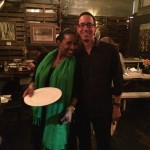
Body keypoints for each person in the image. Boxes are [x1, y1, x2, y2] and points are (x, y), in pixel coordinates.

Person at [72, 12, 123, 150]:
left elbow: (118, 79)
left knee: (104, 143)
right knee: (83, 143)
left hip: (103, 107)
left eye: (89, 25)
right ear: (77, 29)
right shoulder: (75, 53)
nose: (86, 29)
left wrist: (117, 106)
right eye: (82, 25)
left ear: (95, 28)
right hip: (81, 108)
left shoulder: (110, 50)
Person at [23, 28, 78, 150]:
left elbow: (78, 88)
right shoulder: (44, 57)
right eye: (69, 43)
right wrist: (31, 87)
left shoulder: (75, 63)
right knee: (39, 141)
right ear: (59, 42)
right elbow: (34, 80)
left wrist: (71, 108)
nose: (73, 47)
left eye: (75, 44)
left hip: (60, 112)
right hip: (40, 108)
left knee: (58, 144)